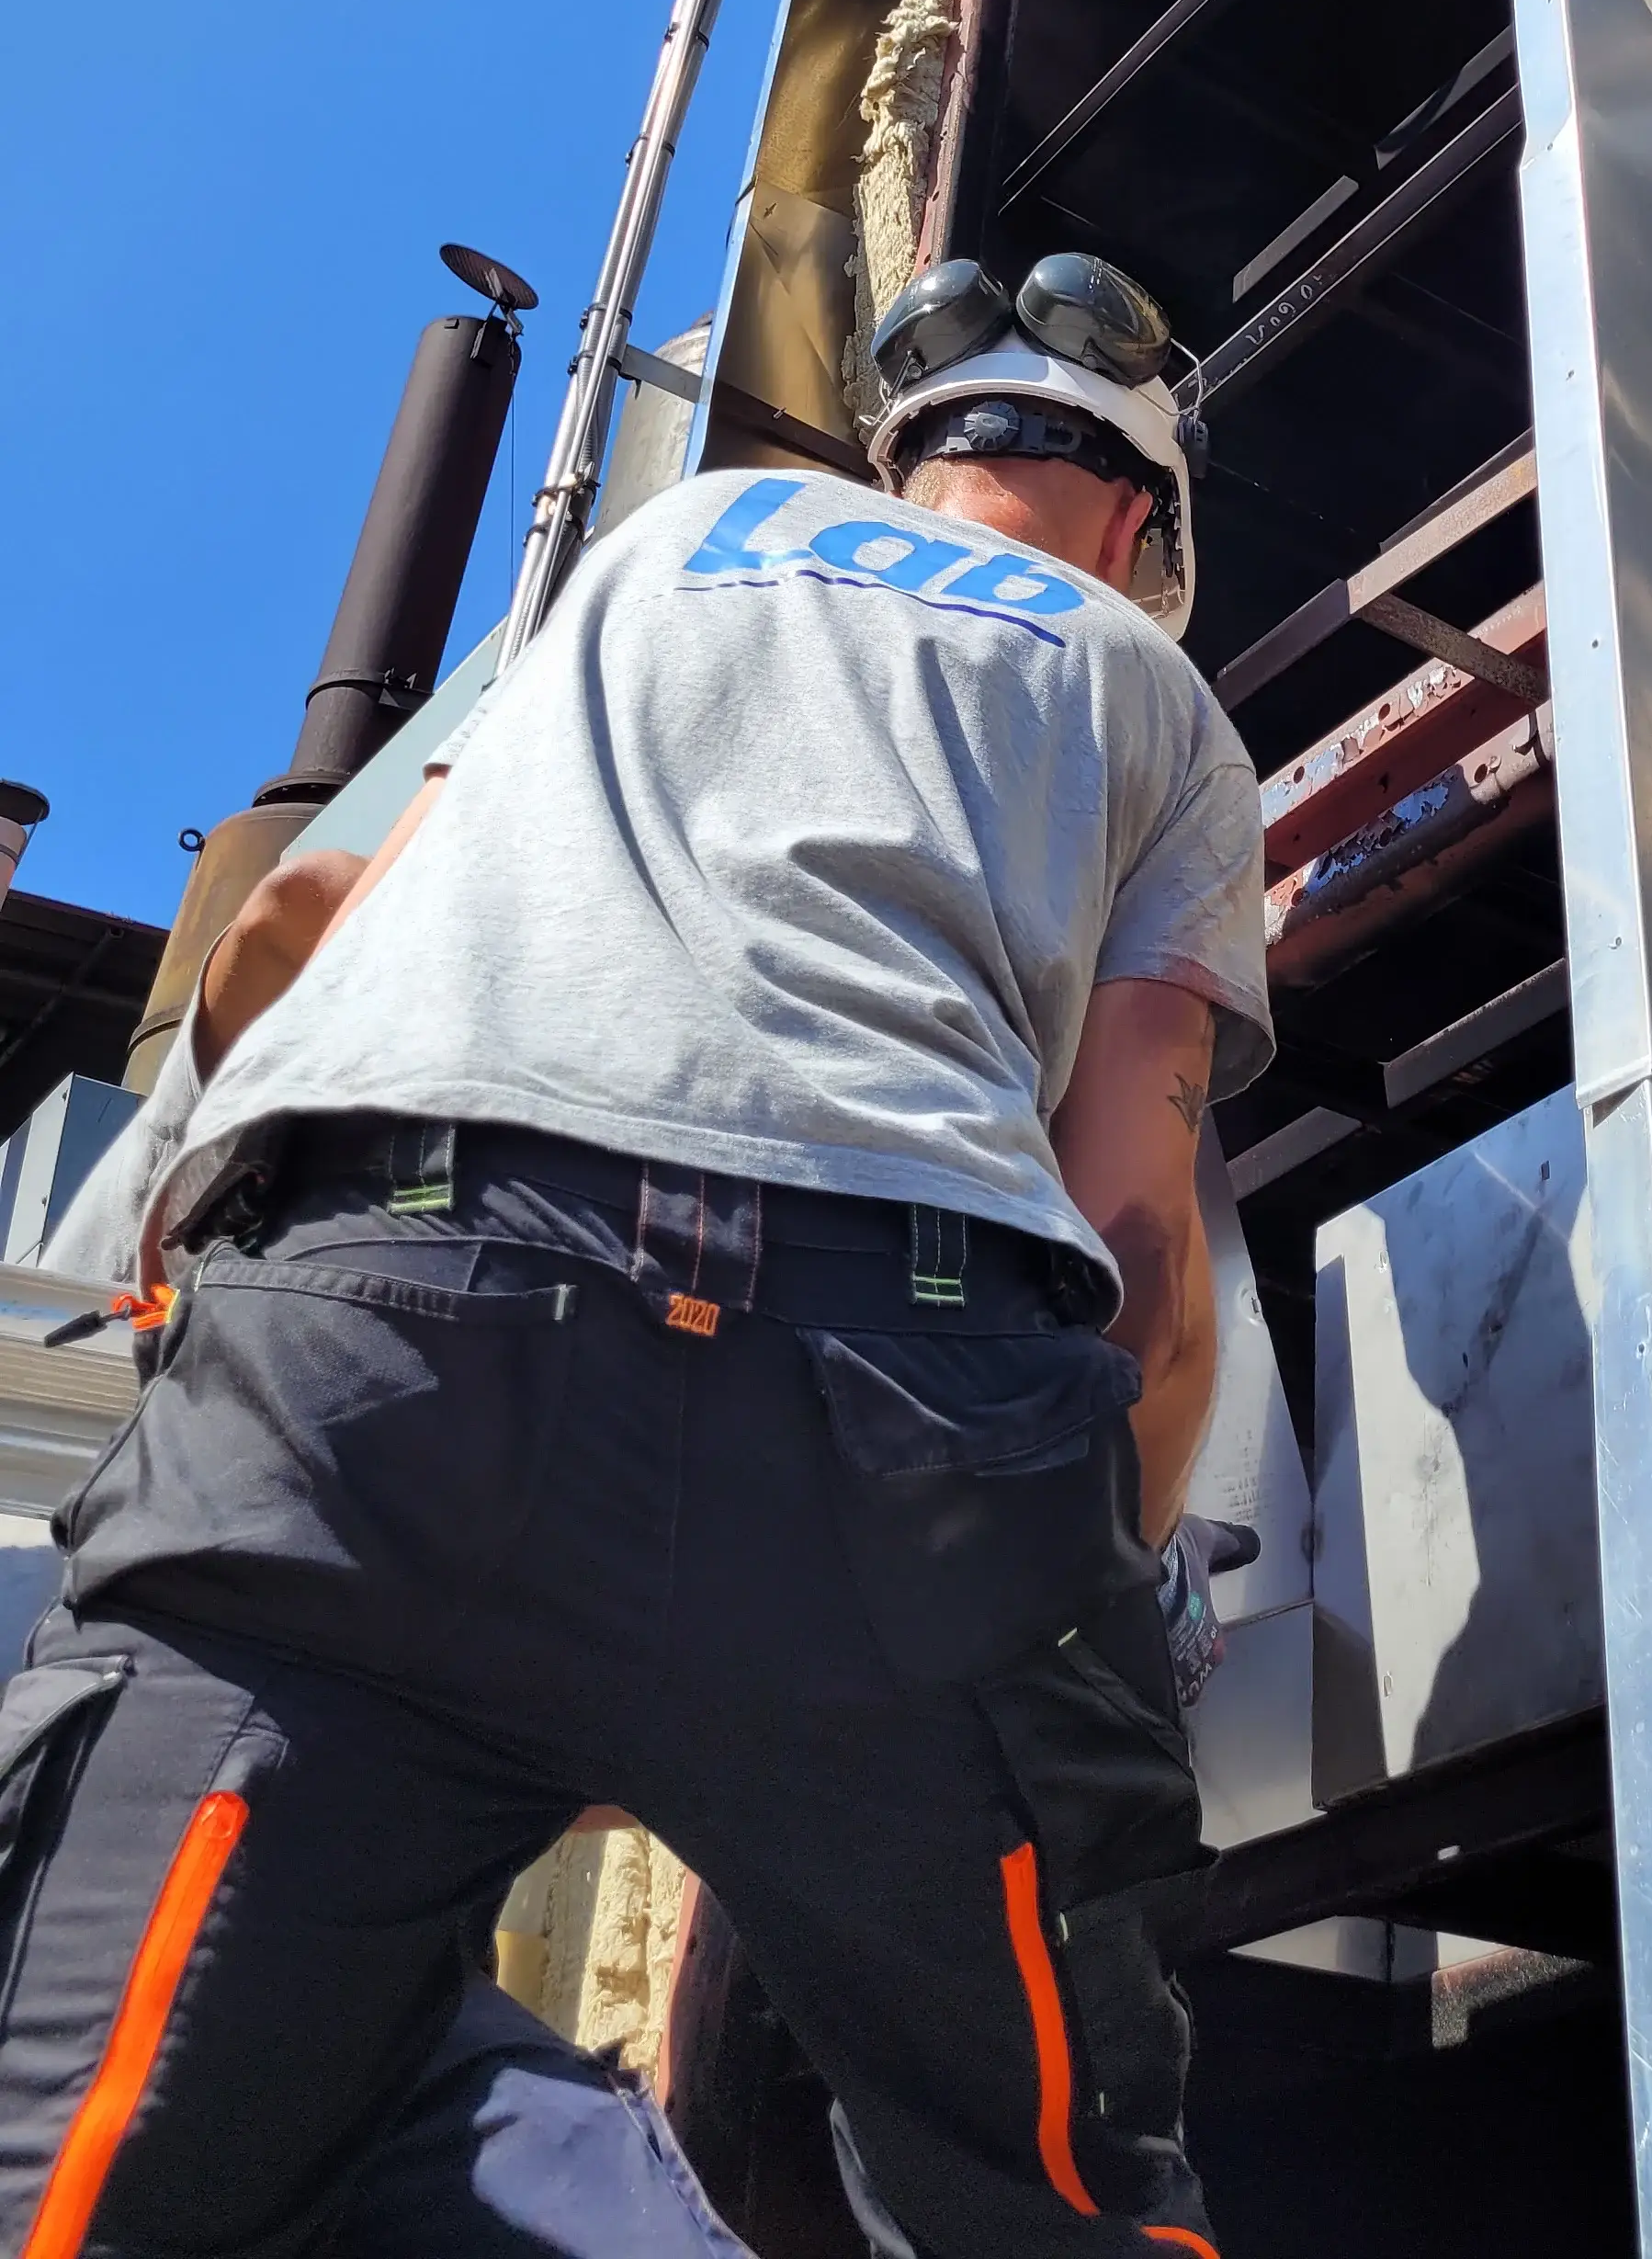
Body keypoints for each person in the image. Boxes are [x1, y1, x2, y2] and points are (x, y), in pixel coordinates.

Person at [0, 248, 1271, 2259]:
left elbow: (296, 927)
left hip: (384, 1327)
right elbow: (1137, 1245)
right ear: (1139, 527)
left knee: (107, 2150)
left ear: (907, 456)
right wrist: (1107, 1590)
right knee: (1040, 2199)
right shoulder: (1154, 695)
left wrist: (228, 1241)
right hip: (905, 1397)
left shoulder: (663, 549)